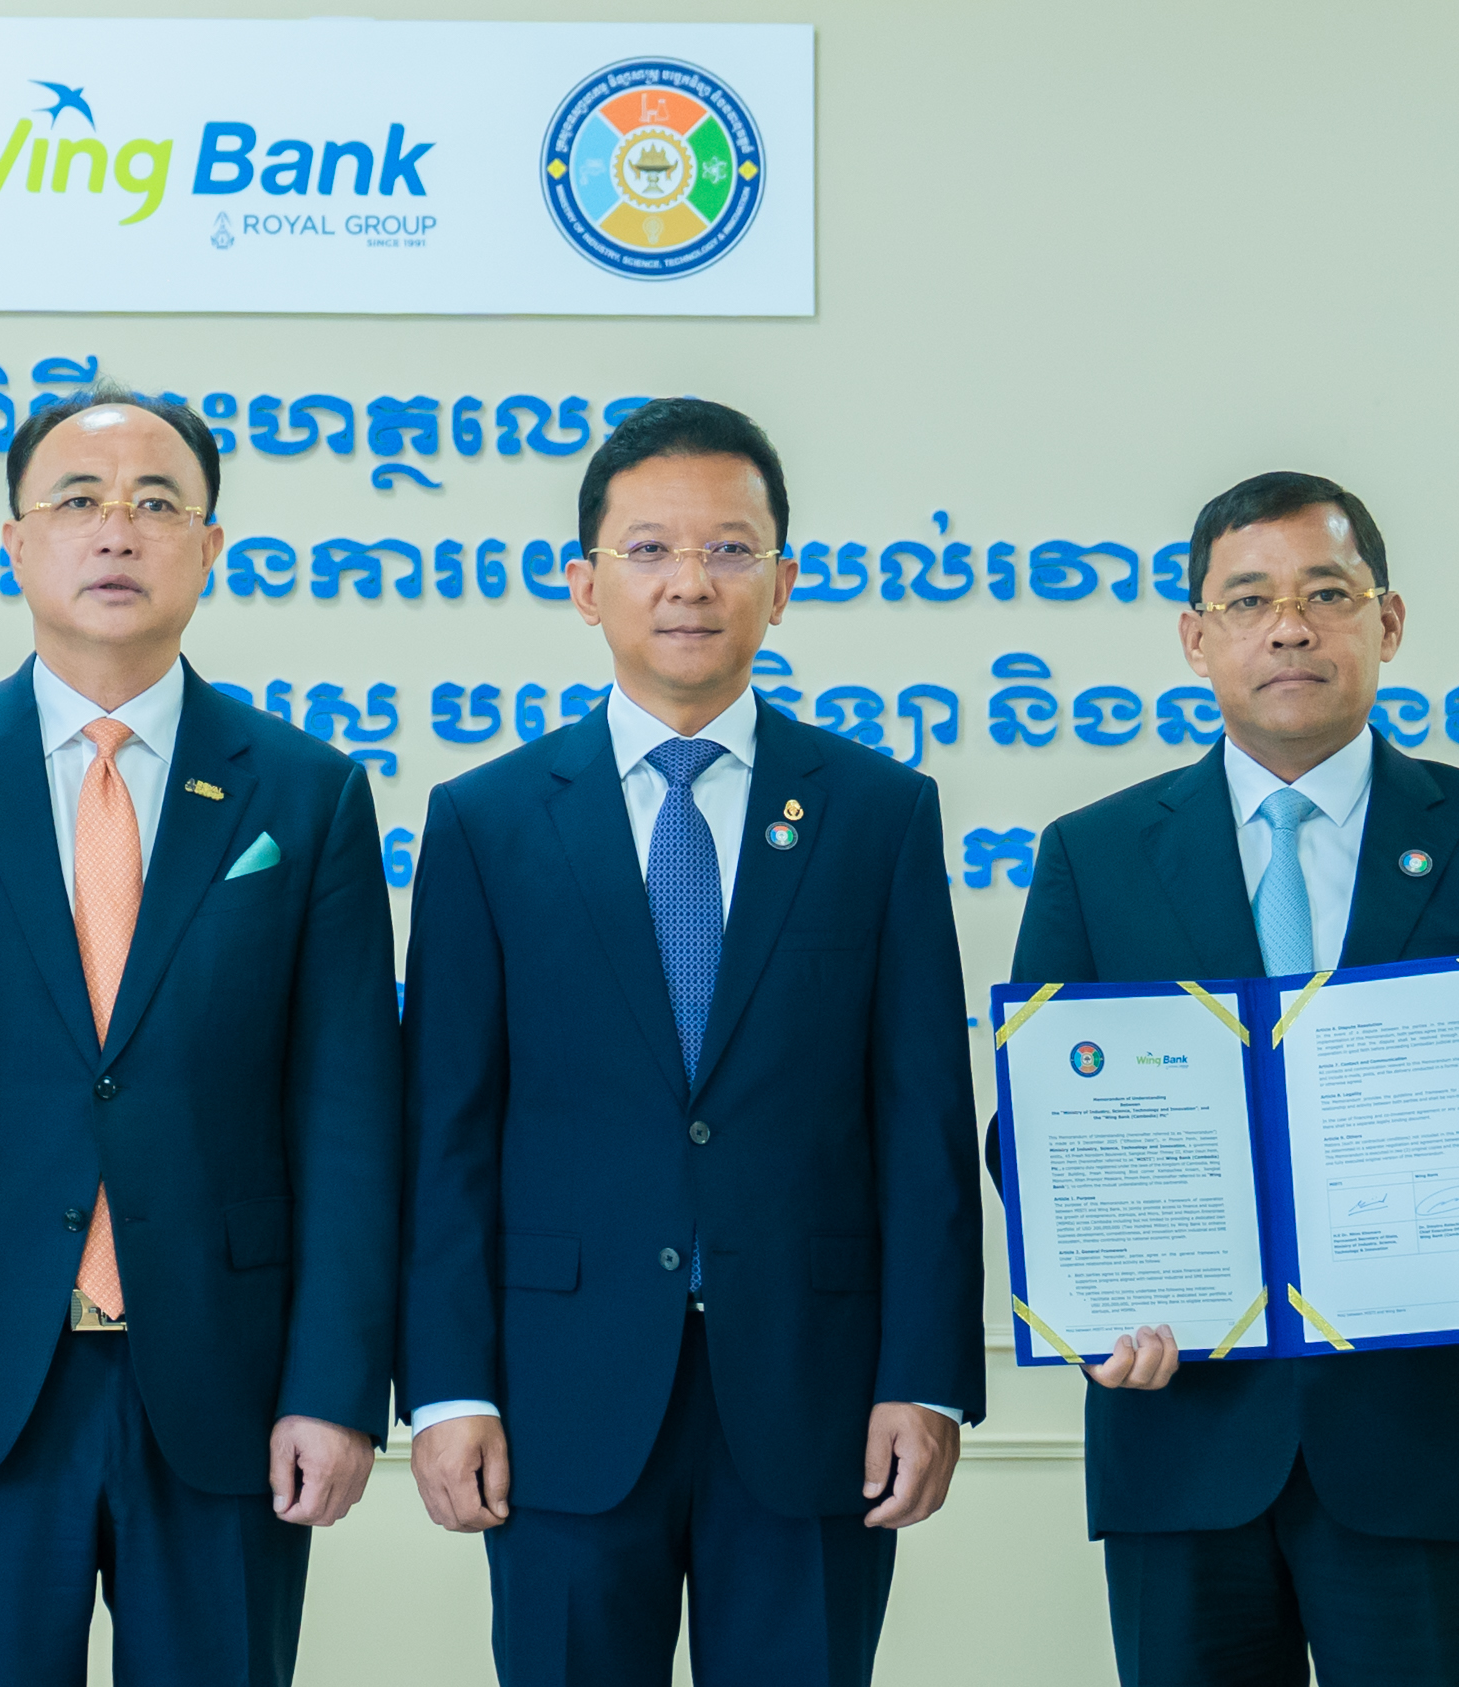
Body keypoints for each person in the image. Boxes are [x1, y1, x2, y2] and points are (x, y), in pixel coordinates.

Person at [0, 384, 401, 1686]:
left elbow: (349, 1119)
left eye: (157, 503)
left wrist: (335, 1384)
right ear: (14, 543)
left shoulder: (308, 792)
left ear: (210, 547)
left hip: (229, 1386)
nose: (117, 530)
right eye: (78, 500)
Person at [1002, 471, 1459, 1686]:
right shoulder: (1094, 857)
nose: (1289, 627)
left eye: (1326, 594)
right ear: (1196, 638)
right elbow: (1039, 1126)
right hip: (1181, 1436)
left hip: (1435, 1440)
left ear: (1387, 621)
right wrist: (1090, 1299)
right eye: (1249, 599)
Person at [398, 397, 985, 1685]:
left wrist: (929, 1379)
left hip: (817, 1395)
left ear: (783, 582)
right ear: (585, 584)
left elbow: (924, 1123)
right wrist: (448, 1388)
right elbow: (446, 1130)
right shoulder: (489, 821)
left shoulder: (877, 814)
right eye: (651, 549)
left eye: (729, 549)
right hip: (558, 1398)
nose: (691, 583)